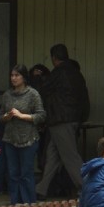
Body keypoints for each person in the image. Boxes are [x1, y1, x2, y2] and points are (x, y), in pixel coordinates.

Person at [36, 45, 90, 199]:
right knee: (53, 155)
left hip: (60, 119)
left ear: (54, 58)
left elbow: (44, 89)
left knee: (69, 156)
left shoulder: (58, 72)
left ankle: (88, 187)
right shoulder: (76, 74)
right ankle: (41, 188)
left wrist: (38, 77)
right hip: (72, 118)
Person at [0, 66, 45, 205]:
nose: (13, 78)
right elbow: (0, 116)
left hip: (29, 138)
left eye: (17, 75)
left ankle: (29, 204)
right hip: (10, 138)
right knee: (13, 173)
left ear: (24, 77)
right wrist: (7, 116)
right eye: (12, 75)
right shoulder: (7, 95)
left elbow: (41, 115)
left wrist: (22, 116)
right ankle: (14, 203)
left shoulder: (33, 94)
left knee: (26, 173)